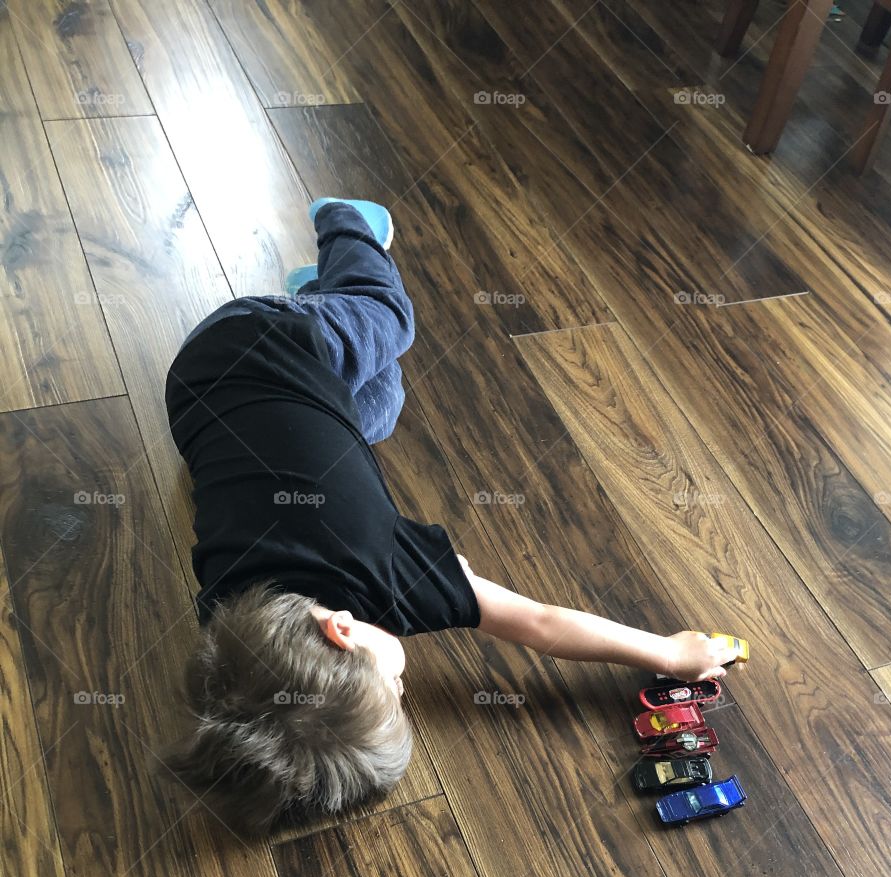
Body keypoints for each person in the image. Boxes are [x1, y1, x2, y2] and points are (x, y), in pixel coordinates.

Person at [159, 198, 734, 835]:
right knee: (381, 404)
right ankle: (325, 304)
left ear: (343, 632)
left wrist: (670, 653)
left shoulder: (386, 570)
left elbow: (541, 625)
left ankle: (343, 230)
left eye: (393, 691)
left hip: (266, 334)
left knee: (391, 321)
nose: (406, 692)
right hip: (192, 390)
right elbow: (242, 705)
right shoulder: (225, 629)